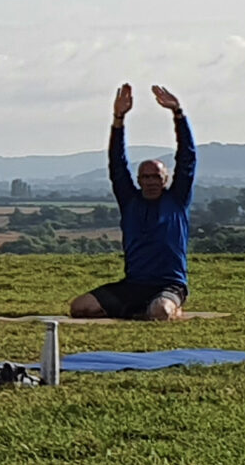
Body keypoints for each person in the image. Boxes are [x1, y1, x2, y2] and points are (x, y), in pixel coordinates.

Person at [71, 84, 195, 321]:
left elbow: (187, 158)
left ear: (165, 179)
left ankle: (170, 309)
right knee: (80, 307)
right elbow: (117, 163)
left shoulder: (176, 200)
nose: (150, 182)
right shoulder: (130, 201)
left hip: (169, 285)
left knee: (161, 311)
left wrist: (178, 114)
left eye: (156, 177)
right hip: (134, 284)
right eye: (145, 177)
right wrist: (119, 119)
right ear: (138, 180)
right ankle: (138, 311)